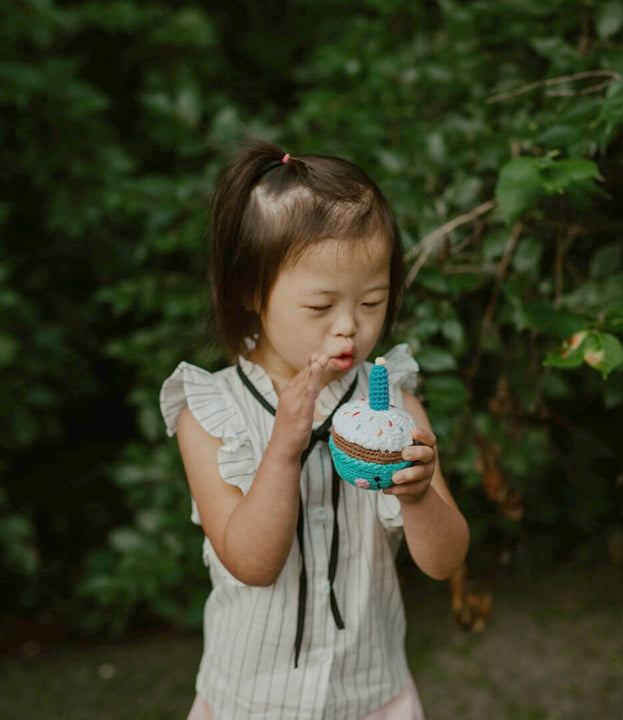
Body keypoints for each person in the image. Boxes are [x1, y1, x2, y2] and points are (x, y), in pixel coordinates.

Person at [160, 139, 469, 720]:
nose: (350, 326)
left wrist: (420, 495)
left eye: (372, 301)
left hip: (371, 694)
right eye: (320, 306)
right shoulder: (208, 413)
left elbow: (446, 561)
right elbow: (252, 563)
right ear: (252, 291)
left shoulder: (395, 403)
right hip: (251, 701)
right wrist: (281, 450)